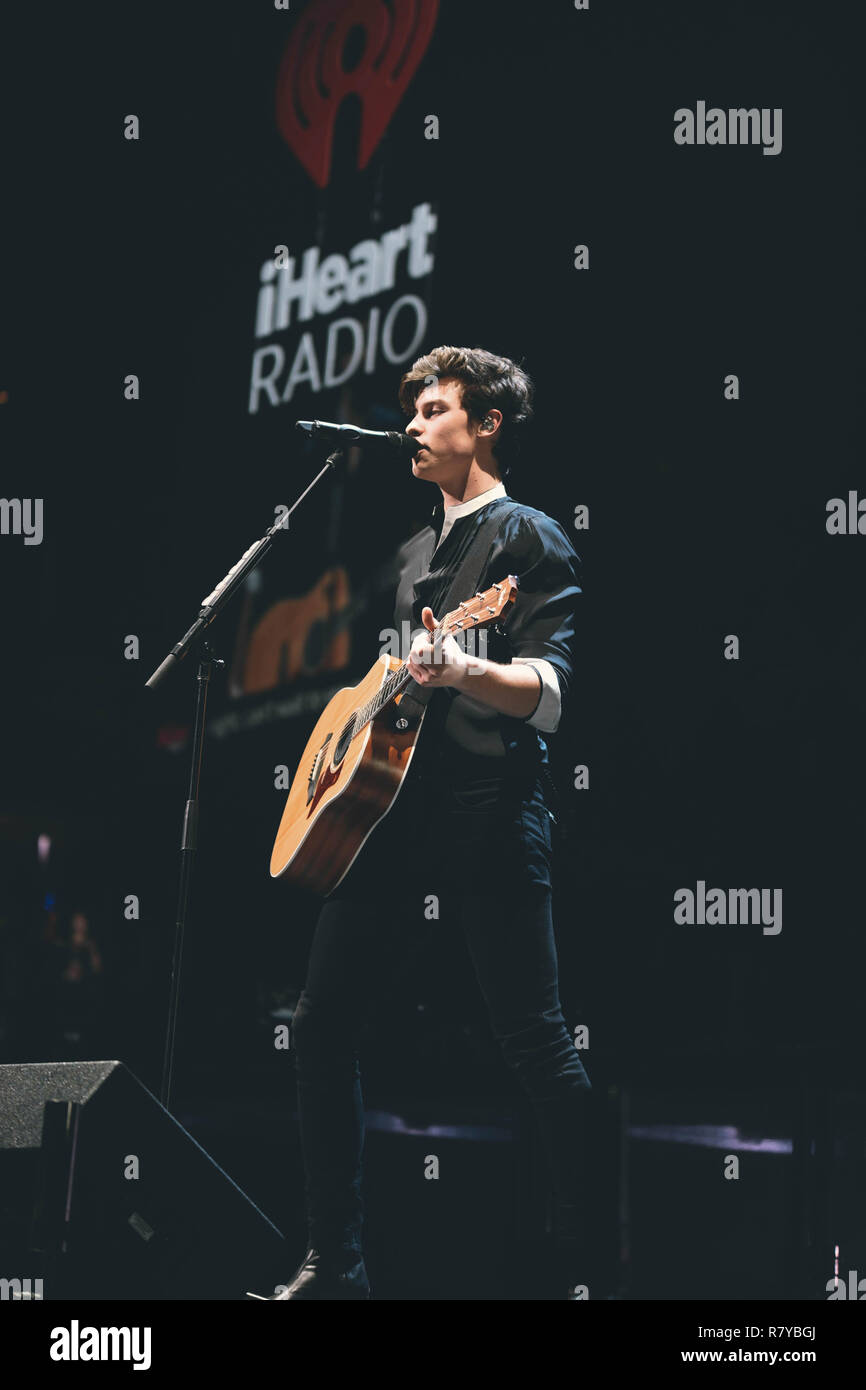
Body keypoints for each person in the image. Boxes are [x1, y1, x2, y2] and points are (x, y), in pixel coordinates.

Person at [270, 346, 592, 1300]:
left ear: (486, 424)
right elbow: (379, 684)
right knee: (321, 1024)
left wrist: (468, 671)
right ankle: (338, 1260)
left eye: (434, 409)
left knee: (533, 1036)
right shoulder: (413, 553)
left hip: (488, 810)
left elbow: (553, 695)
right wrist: (353, 722)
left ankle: (588, 1262)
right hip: (384, 815)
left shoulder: (528, 540)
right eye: (409, 410)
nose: (411, 425)